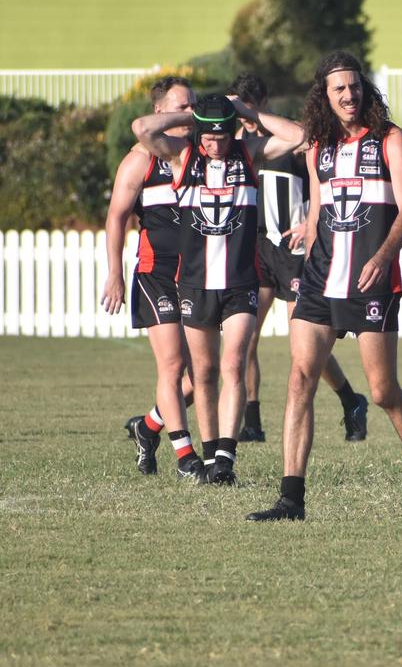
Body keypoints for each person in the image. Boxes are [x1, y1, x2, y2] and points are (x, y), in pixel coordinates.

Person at [247, 51, 402, 522]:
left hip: (372, 280)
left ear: (365, 89)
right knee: (300, 377)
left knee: (383, 392)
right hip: (319, 279)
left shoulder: (390, 139)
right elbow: (318, 211)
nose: (348, 94)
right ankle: (291, 499)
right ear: (326, 94)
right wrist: (305, 251)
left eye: (354, 86)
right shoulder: (318, 145)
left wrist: (383, 257)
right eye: (338, 88)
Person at [132, 93, 305, 484]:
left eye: (220, 136)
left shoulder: (248, 154)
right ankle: (209, 456)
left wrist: (246, 111)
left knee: (233, 365)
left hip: (240, 282)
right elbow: (141, 128)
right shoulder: (183, 155)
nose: (213, 144)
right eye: (207, 137)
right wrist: (189, 115)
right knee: (205, 373)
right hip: (194, 284)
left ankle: (225, 457)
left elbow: (296, 134)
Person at [227, 73, 370, 444]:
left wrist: (310, 222)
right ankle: (253, 421)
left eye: (248, 113)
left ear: (261, 105)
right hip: (259, 248)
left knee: (304, 348)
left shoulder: (288, 137)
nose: (243, 122)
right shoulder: (235, 144)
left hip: (294, 253)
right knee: (247, 338)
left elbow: (321, 170)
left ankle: (350, 399)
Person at [102, 76, 203, 478]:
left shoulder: (200, 155)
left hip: (196, 275)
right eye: (182, 106)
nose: (190, 114)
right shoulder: (140, 160)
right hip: (155, 273)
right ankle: (186, 458)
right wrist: (115, 274)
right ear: (159, 112)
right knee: (173, 365)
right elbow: (116, 218)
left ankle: (148, 428)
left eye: (193, 105)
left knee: (203, 374)